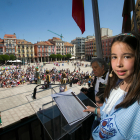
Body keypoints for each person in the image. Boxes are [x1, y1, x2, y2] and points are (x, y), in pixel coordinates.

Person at [84, 32, 140, 140]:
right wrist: (94, 110)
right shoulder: (117, 85)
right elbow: (108, 114)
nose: (118, 63)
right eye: (114, 57)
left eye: (127, 56)